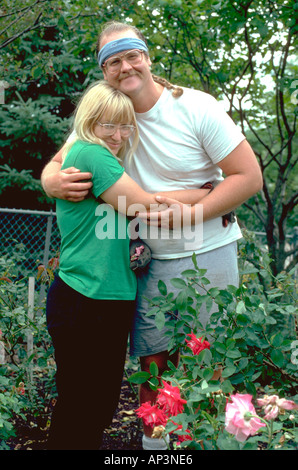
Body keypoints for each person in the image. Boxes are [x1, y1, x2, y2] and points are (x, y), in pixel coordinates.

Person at [41, 22, 263, 450]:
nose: (125, 67)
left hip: (207, 253)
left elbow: (249, 177)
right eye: (113, 61)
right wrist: (50, 180)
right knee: (155, 366)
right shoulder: (107, 118)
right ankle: (157, 451)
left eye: (131, 55)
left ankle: (204, 445)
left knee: (208, 360)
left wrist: (197, 210)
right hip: (144, 264)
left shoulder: (196, 107)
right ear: (104, 71)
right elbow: (64, 160)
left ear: (146, 57)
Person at [45, 79, 210, 450]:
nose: (118, 135)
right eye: (109, 124)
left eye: (124, 125)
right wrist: (207, 194)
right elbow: (145, 207)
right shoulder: (91, 153)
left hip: (111, 299)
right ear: (90, 121)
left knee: (97, 409)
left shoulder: (108, 158)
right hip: (83, 298)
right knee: (81, 408)